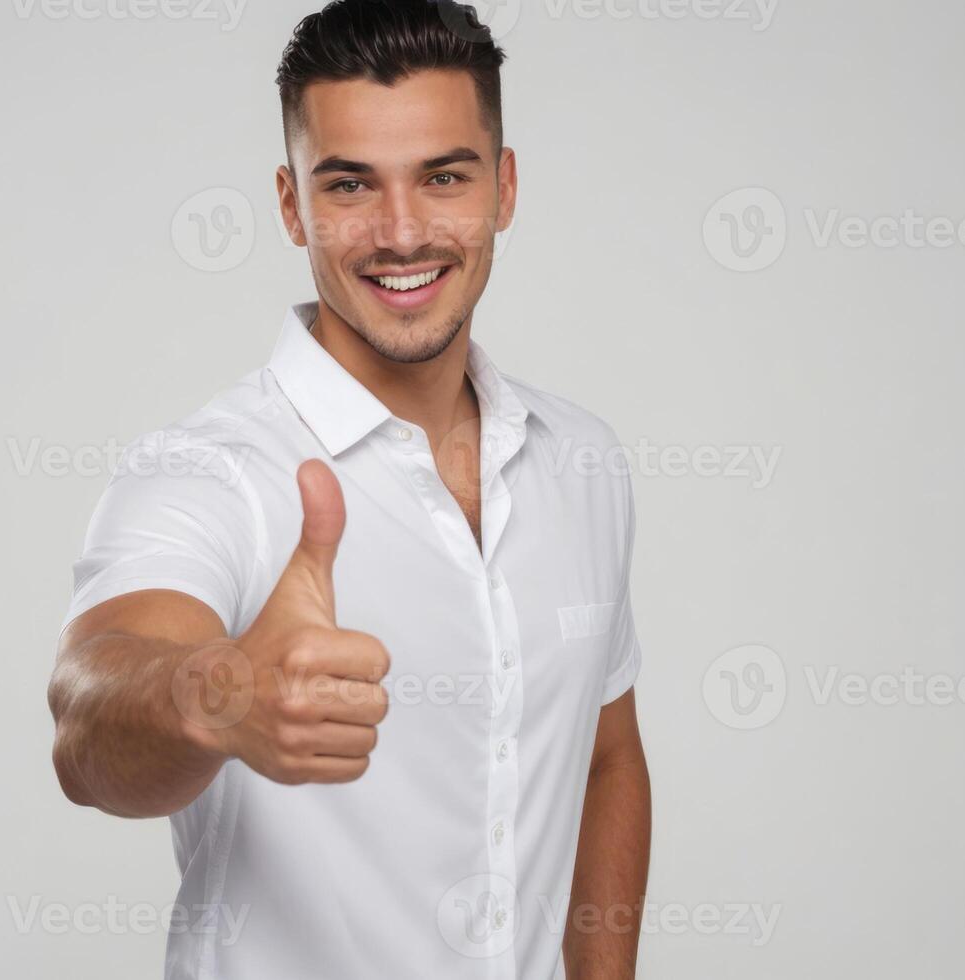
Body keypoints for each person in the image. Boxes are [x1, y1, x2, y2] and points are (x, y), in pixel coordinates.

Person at [49, 2, 650, 976]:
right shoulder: (209, 470)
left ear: (501, 187)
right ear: (292, 205)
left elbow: (604, 751)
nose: (401, 232)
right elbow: (86, 721)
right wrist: (219, 694)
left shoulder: (578, 458)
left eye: (443, 177)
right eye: (350, 185)